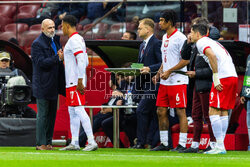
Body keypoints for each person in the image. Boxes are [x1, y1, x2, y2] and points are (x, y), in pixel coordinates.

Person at [190, 23, 238, 154]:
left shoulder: (201, 42)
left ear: (198, 34)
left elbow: (212, 56)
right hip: (232, 76)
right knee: (222, 110)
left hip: (223, 77)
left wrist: (216, 77)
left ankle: (220, 146)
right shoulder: (212, 42)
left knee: (213, 110)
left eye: (191, 32)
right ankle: (221, 146)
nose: (189, 35)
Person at [180, 17, 220, 153]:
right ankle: (195, 144)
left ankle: (214, 144)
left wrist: (196, 74)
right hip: (197, 84)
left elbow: (213, 68)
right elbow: (184, 56)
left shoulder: (210, 44)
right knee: (196, 115)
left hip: (207, 83)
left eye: (194, 29)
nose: (191, 32)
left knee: (209, 115)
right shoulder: (196, 44)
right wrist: (187, 42)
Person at [150, 10, 188, 152]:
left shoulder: (181, 38)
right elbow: (165, 59)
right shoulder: (165, 37)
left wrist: (170, 71)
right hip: (165, 81)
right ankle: (165, 143)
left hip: (178, 80)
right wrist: (159, 73)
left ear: (169, 22)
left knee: (180, 111)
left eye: (161, 20)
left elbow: (186, 60)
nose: (159, 23)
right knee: (160, 111)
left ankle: (182, 144)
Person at [58, 15, 97, 151]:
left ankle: (91, 141)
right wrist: (65, 58)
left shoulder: (74, 40)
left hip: (75, 81)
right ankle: (74, 142)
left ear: (67, 25)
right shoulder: (78, 39)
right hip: (73, 80)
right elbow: (84, 60)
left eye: (62, 25)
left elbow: (81, 60)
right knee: (72, 111)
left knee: (79, 109)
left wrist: (80, 80)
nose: (61, 28)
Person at [31, 19, 65, 150]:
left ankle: (48, 142)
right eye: (49, 28)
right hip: (42, 85)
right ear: (42, 29)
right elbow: (41, 63)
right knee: (43, 115)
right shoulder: (37, 44)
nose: (52, 30)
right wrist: (57, 58)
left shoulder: (55, 40)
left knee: (51, 115)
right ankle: (40, 143)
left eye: (53, 27)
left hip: (53, 84)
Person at [131, 18, 162, 149]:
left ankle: (141, 141)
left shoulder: (156, 43)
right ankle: (150, 141)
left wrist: (150, 69)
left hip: (153, 84)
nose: (137, 30)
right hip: (142, 84)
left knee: (141, 110)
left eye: (140, 28)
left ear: (148, 29)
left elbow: (162, 63)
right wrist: (133, 68)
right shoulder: (142, 45)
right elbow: (142, 64)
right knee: (151, 113)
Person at [0, 51, 36, 118]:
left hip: (17, 103)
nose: (4, 63)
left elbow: (29, 88)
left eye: (6, 61)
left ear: (10, 62)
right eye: (2, 61)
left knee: (34, 115)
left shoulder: (18, 72)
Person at [240, 55, 250, 151]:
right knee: (249, 123)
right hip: (248, 94)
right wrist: (243, 93)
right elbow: (247, 76)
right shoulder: (249, 57)